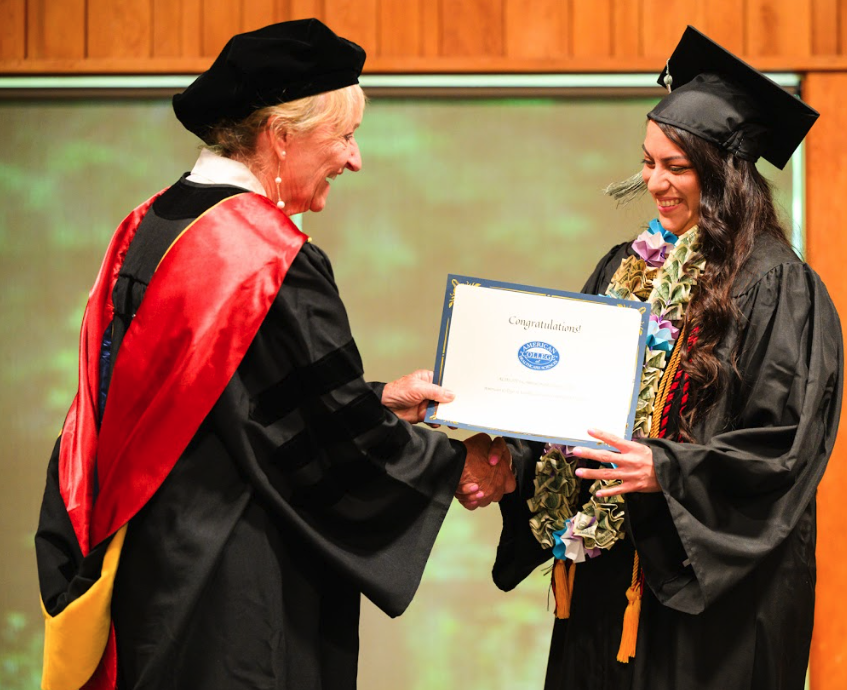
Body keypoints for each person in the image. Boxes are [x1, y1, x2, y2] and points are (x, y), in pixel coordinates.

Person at [34, 19, 513, 690]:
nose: (354, 159)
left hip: (156, 570)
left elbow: (242, 401)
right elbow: (323, 441)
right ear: (281, 137)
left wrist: (375, 401)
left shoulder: (152, 225)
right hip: (235, 586)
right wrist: (453, 463)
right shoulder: (265, 257)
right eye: (344, 136)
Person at [473, 26, 843, 690]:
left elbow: (781, 448)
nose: (654, 184)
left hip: (708, 605)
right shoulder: (625, 269)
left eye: (676, 167)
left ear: (725, 174)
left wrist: (662, 467)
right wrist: (514, 464)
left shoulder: (776, 287)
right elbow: (575, 411)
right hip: (606, 583)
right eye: (648, 163)